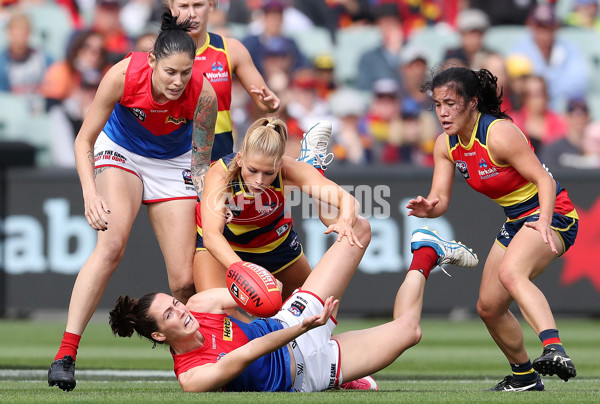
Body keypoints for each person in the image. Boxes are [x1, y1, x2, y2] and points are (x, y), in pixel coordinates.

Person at [47, 12, 218, 392]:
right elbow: (83, 141)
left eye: (185, 73)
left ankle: (198, 359)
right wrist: (91, 192)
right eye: (170, 72)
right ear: (153, 60)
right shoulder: (123, 75)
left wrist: (210, 204)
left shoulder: (204, 95)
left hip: (173, 164)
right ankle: (65, 355)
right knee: (110, 247)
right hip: (120, 151)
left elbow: (201, 165)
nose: (177, 82)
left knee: (184, 280)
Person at [107, 227, 479, 392]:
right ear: (158, 334)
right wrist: (304, 326)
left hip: (287, 320)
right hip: (306, 372)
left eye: (174, 303)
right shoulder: (192, 376)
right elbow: (249, 352)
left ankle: (308, 167)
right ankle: (426, 254)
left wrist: (276, 298)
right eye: (170, 314)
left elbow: (255, 297)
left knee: (358, 232)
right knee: (409, 331)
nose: (181, 310)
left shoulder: (200, 304)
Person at [407, 67, 579, 391]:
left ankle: (554, 348)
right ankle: (525, 378)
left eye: (450, 103)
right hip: (516, 220)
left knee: (512, 273)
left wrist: (543, 220)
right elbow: (440, 199)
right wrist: (429, 208)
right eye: (437, 104)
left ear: (473, 102)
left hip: (553, 212)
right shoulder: (445, 145)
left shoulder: (498, 133)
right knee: (488, 307)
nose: (442, 112)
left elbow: (545, 180)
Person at [194, 116, 359, 299]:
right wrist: (247, 273)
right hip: (226, 243)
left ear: (279, 165)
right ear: (239, 159)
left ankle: (312, 166)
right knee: (215, 313)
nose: (259, 180)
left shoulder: (289, 169)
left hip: (272, 241)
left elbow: (347, 199)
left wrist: (345, 221)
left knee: (310, 307)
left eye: (268, 173)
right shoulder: (219, 174)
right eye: (253, 170)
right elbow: (211, 236)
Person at [168, 0, 280, 162]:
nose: (191, 14)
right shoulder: (159, 53)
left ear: (211, 6)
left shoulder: (231, 49)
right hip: (172, 156)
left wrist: (269, 103)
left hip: (219, 155)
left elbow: (264, 102)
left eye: (198, 5)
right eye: (184, 6)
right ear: (172, 9)